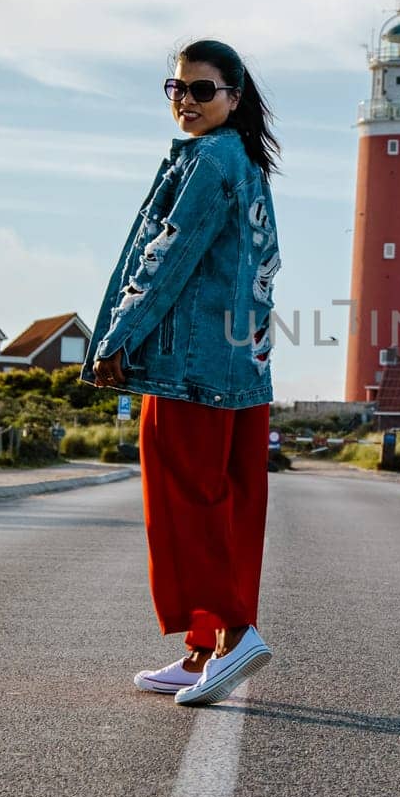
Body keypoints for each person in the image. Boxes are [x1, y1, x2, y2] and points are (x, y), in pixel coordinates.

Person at [80, 39, 282, 706]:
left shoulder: (208, 162)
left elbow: (166, 256)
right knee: (228, 507)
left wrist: (116, 339)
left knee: (181, 506)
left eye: (201, 90)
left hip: (187, 366)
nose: (186, 103)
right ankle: (201, 652)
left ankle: (234, 632)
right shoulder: (248, 164)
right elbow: (265, 270)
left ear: (234, 95)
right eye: (176, 89)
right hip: (241, 368)